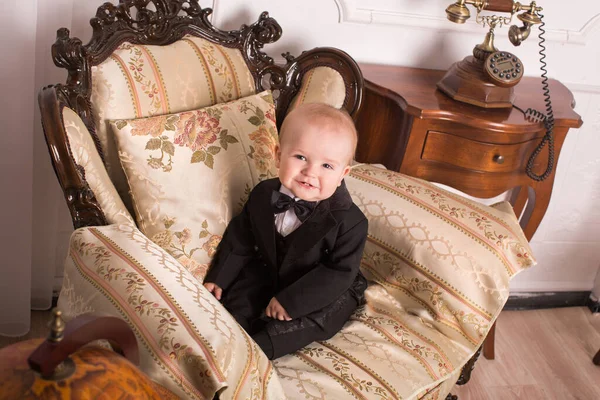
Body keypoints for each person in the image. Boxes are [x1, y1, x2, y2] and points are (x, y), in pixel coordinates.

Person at [203, 102, 368, 359]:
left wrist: (292, 301)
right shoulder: (263, 195)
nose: (310, 172)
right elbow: (241, 237)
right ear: (278, 155)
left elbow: (338, 273)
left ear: (343, 174)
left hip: (321, 287)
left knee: (315, 319)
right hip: (270, 269)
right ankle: (225, 338)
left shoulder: (351, 222)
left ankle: (256, 352)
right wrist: (220, 276)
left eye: (327, 166)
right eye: (301, 157)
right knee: (239, 297)